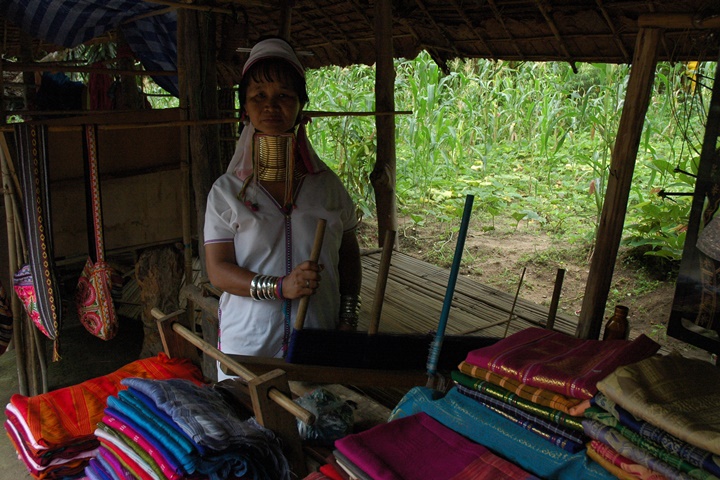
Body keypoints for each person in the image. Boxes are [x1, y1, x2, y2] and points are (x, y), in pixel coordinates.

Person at [204, 38, 363, 379]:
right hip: (248, 348)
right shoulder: (227, 192)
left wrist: (349, 316)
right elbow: (217, 270)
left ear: (301, 106)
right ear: (244, 109)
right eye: (258, 96)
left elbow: (348, 255)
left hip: (317, 342)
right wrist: (279, 287)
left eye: (284, 96)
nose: (271, 106)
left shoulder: (328, 188)